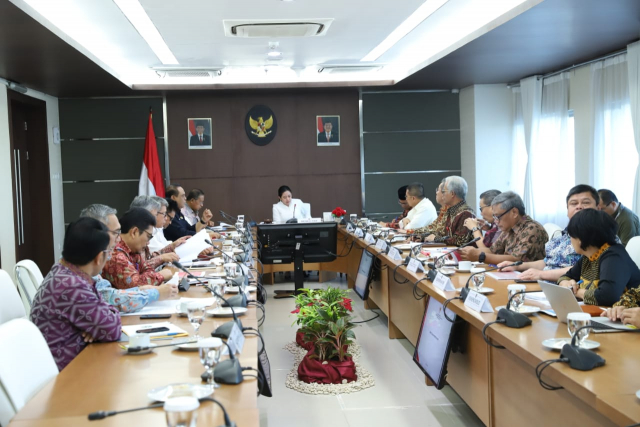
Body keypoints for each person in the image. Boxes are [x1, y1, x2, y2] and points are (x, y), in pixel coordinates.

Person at [30, 217, 122, 370]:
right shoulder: (73, 286)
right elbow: (113, 329)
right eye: (109, 251)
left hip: (69, 363)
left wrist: (97, 325)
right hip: (67, 376)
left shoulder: (62, 270)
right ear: (99, 257)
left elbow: (105, 320)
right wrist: (100, 323)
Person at [80, 203, 178, 312]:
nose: (118, 239)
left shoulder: (129, 250)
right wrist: (155, 293)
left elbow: (108, 291)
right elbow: (109, 298)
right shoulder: (109, 255)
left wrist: (140, 289)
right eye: (116, 233)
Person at [497, 185, 600, 281]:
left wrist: (541, 274)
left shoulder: (601, 236)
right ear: (567, 210)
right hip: (547, 286)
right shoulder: (563, 235)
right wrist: (517, 266)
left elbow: (586, 269)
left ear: (598, 208)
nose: (579, 207)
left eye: (586, 203)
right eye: (573, 203)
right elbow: (547, 262)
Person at [557, 209, 640, 306]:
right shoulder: (589, 257)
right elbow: (565, 276)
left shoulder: (613, 256)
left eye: (571, 235)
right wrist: (566, 283)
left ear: (580, 238)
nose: (570, 240)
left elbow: (607, 296)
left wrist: (576, 291)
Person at [459, 191, 547, 264]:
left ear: (514, 212)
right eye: (494, 217)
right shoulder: (509, 228)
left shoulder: (532, 229)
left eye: (498, 217)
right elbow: (493, 251)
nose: (496, 222)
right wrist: (464, 252)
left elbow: (516, 260)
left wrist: (480, 256)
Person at [103, 208, 175, 289]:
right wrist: (160, 275)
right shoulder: (116, 254)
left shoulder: (133, 249)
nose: (148, 243)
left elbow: (148, 269)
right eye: (148, 237)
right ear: (134, 232)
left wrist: (144, 277)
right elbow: (136, 286)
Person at [414, 176, 475, 246]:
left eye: (443, 191)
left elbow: (459, 241)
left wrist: (435, 238)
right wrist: (423, 237)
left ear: (452, 194)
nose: (442, 195)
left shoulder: (466, 213)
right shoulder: (452, 210)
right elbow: (442, 233)